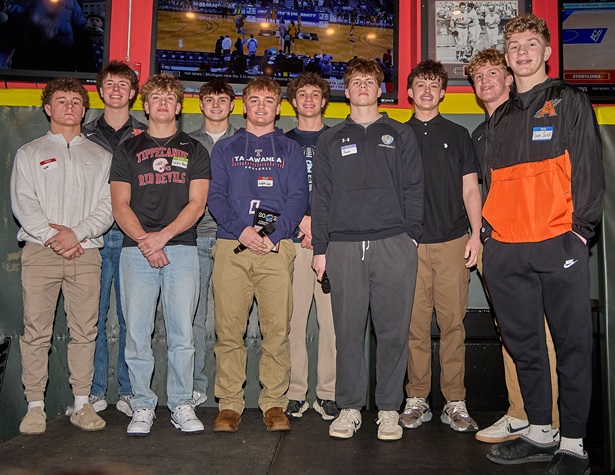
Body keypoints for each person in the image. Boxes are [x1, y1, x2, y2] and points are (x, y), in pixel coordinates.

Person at [481, 15, 604, 474]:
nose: (522, 52)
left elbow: (589, 169)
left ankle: (573, 444)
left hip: (559, 243)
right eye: (514, 45)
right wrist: (491, 238)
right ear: (507, 56)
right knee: (525, 348)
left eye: (531, 44)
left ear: (547, 52)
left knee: (572, 347)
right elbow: (493, 183)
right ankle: (539, 431)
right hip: (507, 251)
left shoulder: (569, 99)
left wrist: (580, 232)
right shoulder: (500, 116)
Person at [311, 58, 423, 441]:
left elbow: (415, 187)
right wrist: (321, 249)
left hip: (394, 244)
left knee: (393, 332)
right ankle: (349, 408)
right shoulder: (330, 139)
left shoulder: (400, 133)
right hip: (342, 246)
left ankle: (389, 409)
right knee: (347, 332)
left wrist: (411, 237)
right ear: (346, 90)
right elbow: (321, 196)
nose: (362, 86)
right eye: (356, 80)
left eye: (369, 81)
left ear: (380, 90)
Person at [468, 48, 561, 444]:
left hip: (536, 240)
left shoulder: (533, 119)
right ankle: (521, 414)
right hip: (496, 244)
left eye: (493, 73)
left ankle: (550, 424)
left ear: (509, 79)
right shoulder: (478, 134)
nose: (485, 80)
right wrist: (481, 235)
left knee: (541, 333)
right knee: (510, 331)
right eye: (478, 76)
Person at [110, 74, 210, 436]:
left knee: (183, 334)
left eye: (169, 98)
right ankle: (142, 404)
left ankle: (181, 403)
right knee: (138, 333)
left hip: (181, 248)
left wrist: (163, 237)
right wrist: (144, 241)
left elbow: (197, 204)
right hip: (136, 251)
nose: (163, 103)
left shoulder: (195, 149)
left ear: (179, 107)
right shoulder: (127, 149)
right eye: (156, 98)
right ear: (146, 106)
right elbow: (119, 204)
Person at [11, 78, 112, 435]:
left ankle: (82, 403)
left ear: (84, 110)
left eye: (76, 101)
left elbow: (108, 206)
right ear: (47, 108)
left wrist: (77, 234)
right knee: (36, 332)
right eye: (61, 100)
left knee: (85, 331)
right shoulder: (29, 153)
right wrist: (54, 237)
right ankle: (34, 406)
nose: (69, 106)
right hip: (40, 252)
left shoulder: (101, 156)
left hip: (86, 252)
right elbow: (23, 203)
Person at [208, 77, 308, 433]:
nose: (261, 106)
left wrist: (274, 234)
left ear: (278, 107)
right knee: (228, 332)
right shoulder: (226, 147)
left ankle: (275, 403)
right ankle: (229, 404)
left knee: (277, 331)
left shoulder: (290, 149)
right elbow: (215, 196)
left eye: (269, 100)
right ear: (244, 105)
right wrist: (242, 230)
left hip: (276, 249)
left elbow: (298, 198)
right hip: (231, 246)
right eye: (255, 100)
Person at [401, 59, 481, 434]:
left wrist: (476, 234)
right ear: (410, 92)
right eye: (421, 85)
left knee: (453, 327)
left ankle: (455, 401)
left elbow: (471, 189)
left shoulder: (459, 134)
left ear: (443, 93)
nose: (427, 91)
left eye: (434, 85)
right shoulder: (396, 136)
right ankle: (416, 398)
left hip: (453, 242)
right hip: (410, 247)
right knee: (414, 328)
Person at [82, 60, 147, 418]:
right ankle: (93, 391)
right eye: (110, 84)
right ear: (100, 90)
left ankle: (127, 390)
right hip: (92, 237)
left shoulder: (146, 134)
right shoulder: (83, 134)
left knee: (130, 319)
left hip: (130, 236)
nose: (116, 90)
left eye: (123, 84)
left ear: (133, 92)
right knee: (90, 317)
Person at [284, 72, 338, 421]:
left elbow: (347, 192)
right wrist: (300, 224)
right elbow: (274, 193)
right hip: (292, 242)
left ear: (324, 101)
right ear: (293, 101)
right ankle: (295, 393)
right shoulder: (281, 141)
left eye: (314, 94)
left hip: (331, 244)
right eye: (302, 93)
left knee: (331, 324)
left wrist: (320, 228)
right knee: (293, 323)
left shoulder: (337, 138)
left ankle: (329, 394)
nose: (308, 99)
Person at [188, 79, 237, 408]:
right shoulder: (187, 142)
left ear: (232, 105)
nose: (216, 105)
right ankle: (195, 386)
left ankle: (229, 391)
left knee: (231, 320)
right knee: (193, 317)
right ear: (201, 104)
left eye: (222, 99)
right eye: (210, 99)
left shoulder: (244, 141)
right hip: (194, 237)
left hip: (232, 239)